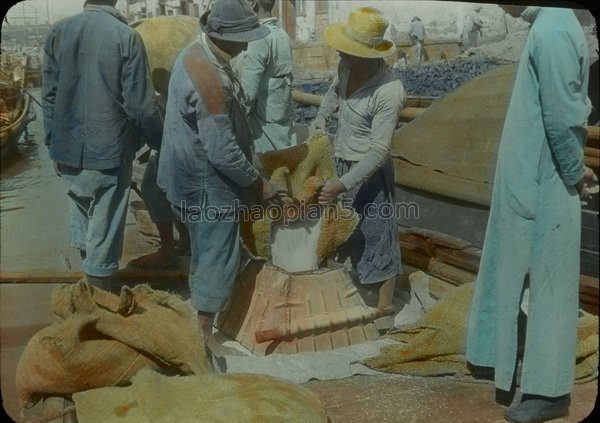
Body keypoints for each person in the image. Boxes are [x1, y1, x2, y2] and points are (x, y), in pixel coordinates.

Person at [466, 6, 597, 423]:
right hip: (530, 178)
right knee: (516, 278)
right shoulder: (547, 25)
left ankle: (549, 391)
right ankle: (507, 363)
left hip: (548, 182)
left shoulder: (555, 30)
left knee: (550, 288)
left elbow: (563, 117)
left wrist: (575, 171)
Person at [157, 0, 281, 346]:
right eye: (242, 38)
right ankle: (205, 335)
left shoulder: (193, 52)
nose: (246, 45)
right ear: (224, 36)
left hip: (182, 173)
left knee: (205, 250)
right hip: (205, 183)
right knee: (216, 256)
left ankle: (205, 312)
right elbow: (222, 151)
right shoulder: (212, 82)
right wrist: (260, 183)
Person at [42, 0, 163, 291]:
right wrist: (159, 140)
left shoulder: (58, 31)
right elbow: (141, 107)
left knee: (83, 221)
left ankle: (86, 293)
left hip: (67, 151)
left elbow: (49, 98)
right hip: (109, 150)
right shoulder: (126, 36)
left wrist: (52, 143)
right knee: (105, 232)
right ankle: (100, 301)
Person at [309, 7, 406, 329]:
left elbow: (379, 150)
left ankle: (384, 308)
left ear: (369, 54)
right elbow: (332, 94)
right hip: (341, 161)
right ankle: (348, 286)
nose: (341, 55)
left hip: (369, 171)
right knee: (341, 229)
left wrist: (344, 183)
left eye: (349, 52)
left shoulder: (389, 90)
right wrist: (322, 117)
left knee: (377, 233)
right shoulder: (346, 67)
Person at [130, 72, 190, 270]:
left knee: (158, 189)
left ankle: (170, 248)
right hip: (169, 132)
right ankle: (182, 240)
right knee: (156, 188)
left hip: (178, 137)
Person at [236, 0, 295, 152]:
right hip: (282, 124)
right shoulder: (281, 34)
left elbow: (247, 97)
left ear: (253, 3)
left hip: (265, 134)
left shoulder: (258, 39)